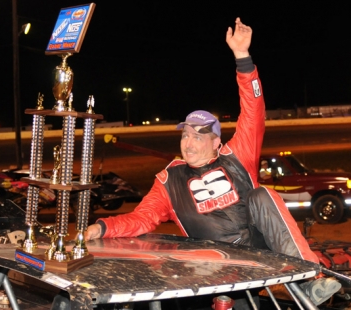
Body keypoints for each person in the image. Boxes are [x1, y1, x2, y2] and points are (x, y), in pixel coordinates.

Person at [85, 17, 341, 306]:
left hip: (259, 248)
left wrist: (243, 59)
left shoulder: (237, 155)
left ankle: (307, 281)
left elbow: (253, 111)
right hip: (213, 263)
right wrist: (104, 227)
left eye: (199, 136)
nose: (189, 142)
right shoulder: (169, 180)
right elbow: (141, 219)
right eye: (186, 135)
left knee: (262, 194)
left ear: (216, 142)